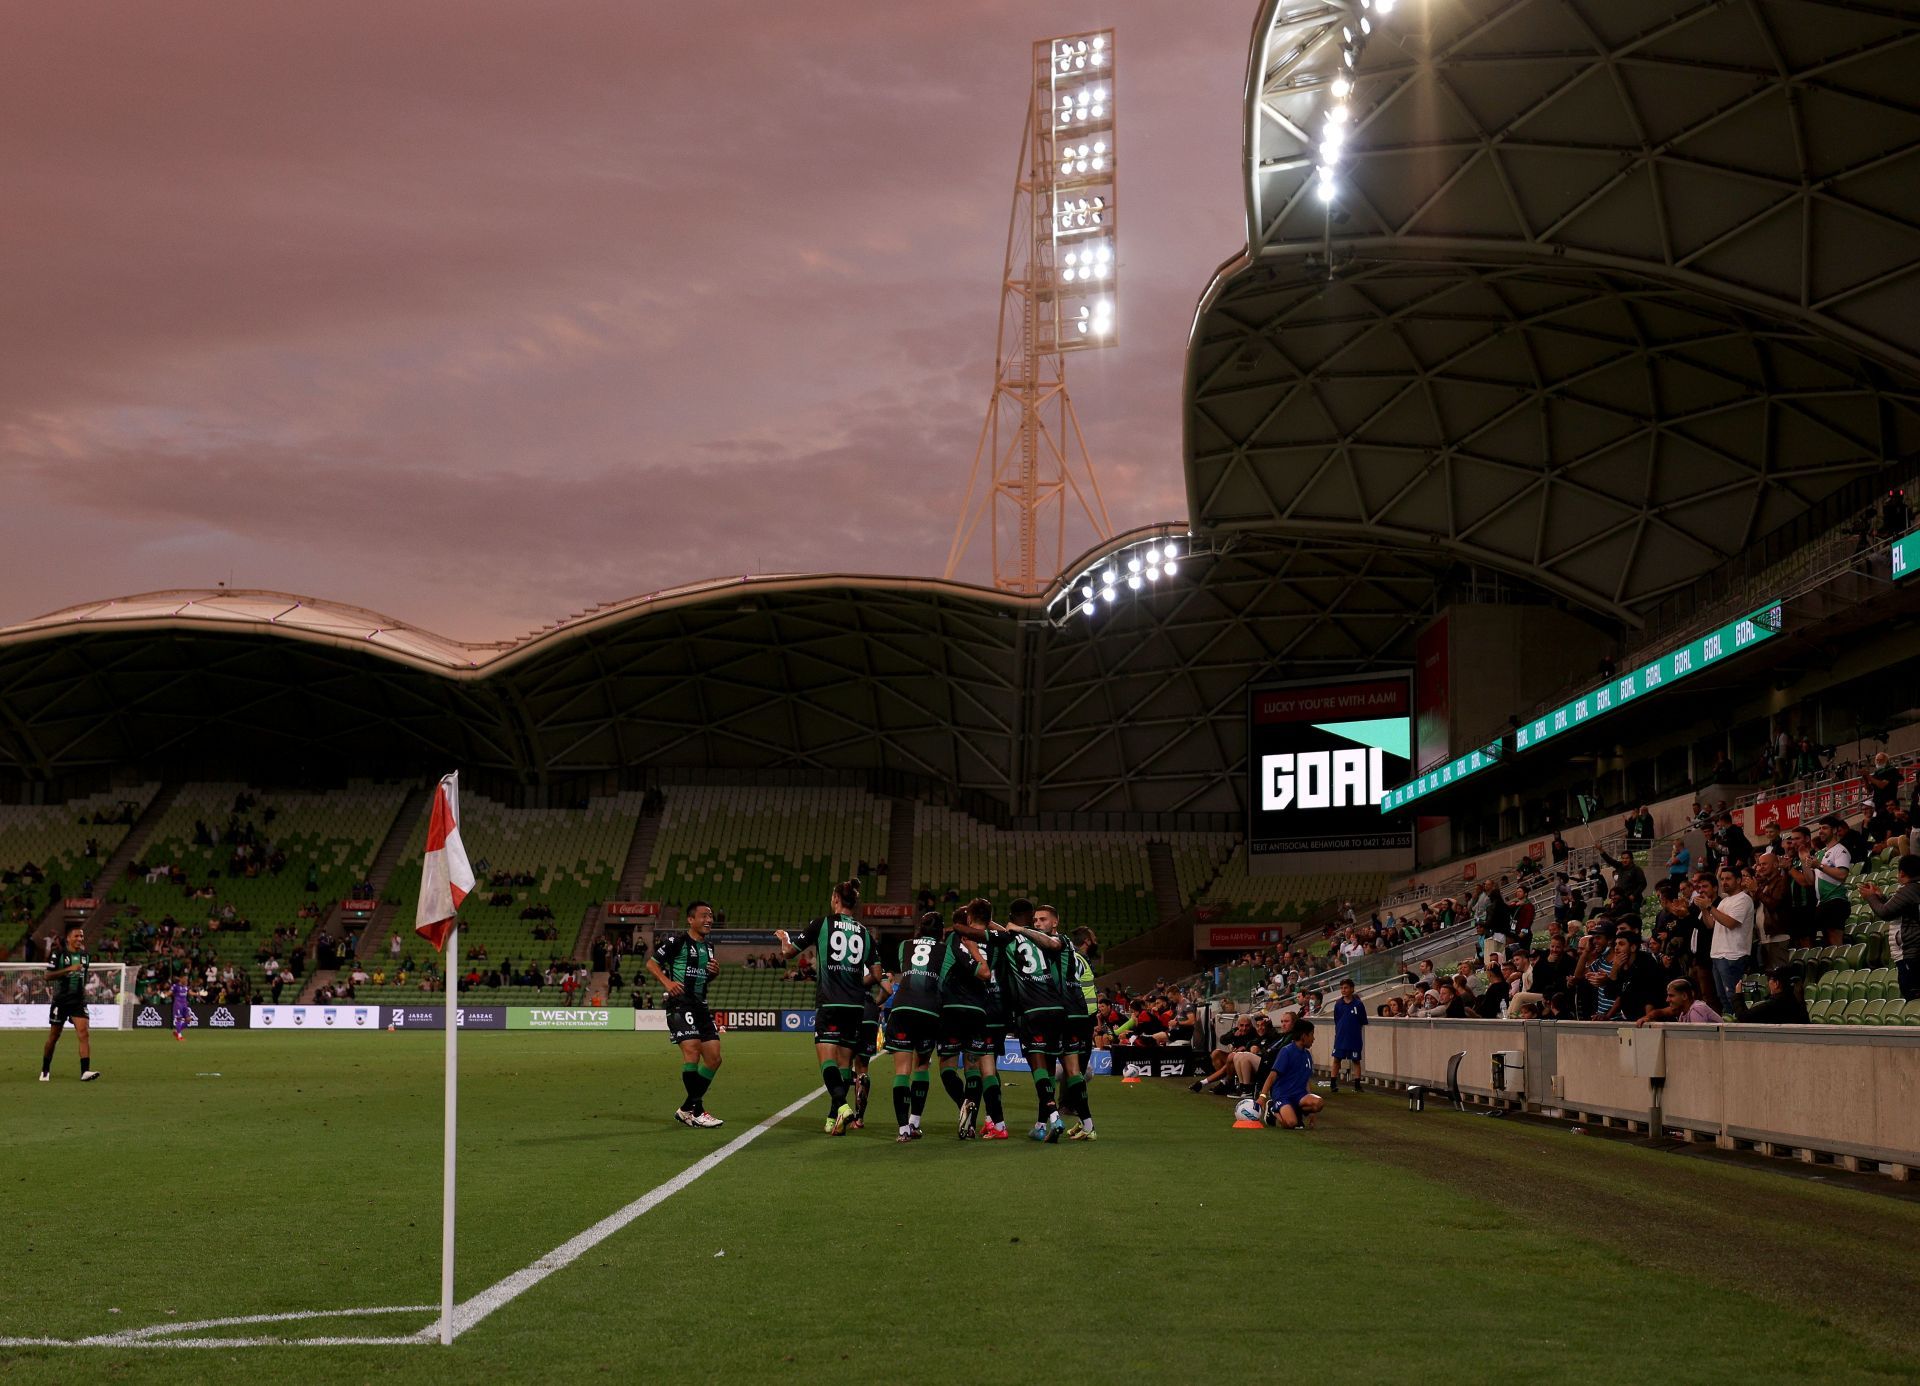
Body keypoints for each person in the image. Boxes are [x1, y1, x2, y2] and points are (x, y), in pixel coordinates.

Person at [776, 880, 880, 1136]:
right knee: (845, 1063)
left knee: (827, 1059)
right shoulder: (865, 932)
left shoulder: (821, 924)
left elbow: (789, 953)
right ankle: (834, 1117)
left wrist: (784, 938)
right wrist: (856, 980)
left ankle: (842, 1107)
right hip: (856, 1005)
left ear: (835, 899)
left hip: (830, 1001)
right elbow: (877, 973)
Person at [648, 901, 725, 1128]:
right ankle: (698, 1110)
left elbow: (702, 977)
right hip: (680, 1004)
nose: (709, 920)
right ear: (691, 920)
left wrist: (714, 974)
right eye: (704, 916)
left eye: (710, 916)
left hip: (701, 1005)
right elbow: (651, 964)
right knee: (691, 1052)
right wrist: (668, 981)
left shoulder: (709, 947)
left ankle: (686, 1109)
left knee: (714, 1058)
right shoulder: (677, 941)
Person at [1003, 899, 1068, 1142]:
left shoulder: (1009, 939)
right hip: (1056, 1008)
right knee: (1050, 1068)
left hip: (1032, 1011)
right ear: (1031, 919)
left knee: (1037, 1066)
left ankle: (1054, 1116)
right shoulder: (1042, 940)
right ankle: (1040, 1125)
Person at [936, 900, 999, 1139]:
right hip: (979, 1011)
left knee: (947, 1068)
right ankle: (970, 1122)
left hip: (953, 1009)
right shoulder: (993, 942)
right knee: (973, 1067)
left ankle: (964, 1103)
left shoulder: (956, 940)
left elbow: (979, 972)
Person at [884, 915, 946, 1142]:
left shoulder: (905, 945)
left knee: (902, 1070)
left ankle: (902, 1130)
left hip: (903, 1007)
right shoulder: (945, 950)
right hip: (929, 1010)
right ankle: (915, 1123)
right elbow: (942, 979)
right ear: (942, 932)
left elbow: (908, 968)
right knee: (921, 1066)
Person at [41, 923, 99, 1082]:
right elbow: (47, 976)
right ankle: (45, 1069)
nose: (80, 938)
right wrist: (68, 969)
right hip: (61, 1001)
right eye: (76, 936)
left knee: (84, 1033)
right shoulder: (58, 954)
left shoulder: (85, 955)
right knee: (54, 1037)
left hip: (78, 1001)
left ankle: (85, 1071)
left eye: (81, 936)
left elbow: (82, 976)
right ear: (68, 938)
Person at [1859, 853, 1920, 1001]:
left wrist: (1871, 897)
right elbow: (1901, 911)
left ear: (1902, 873)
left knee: (1912, 995)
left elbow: (1885, 913)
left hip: (1911, 953)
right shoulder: (1914, 889)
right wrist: (1880, 897)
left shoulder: (1909, 889)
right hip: (1913, 952)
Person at [1695, 868, 1756, 1013]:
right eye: (1722, 879)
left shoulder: (1743, 899)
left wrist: (1709, 906)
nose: (1724, 882)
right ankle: (1730, 1024)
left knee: (1732, 996)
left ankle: (1739, 1026)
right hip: (1718, 954)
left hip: (1733, 955)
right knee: (1722, 997)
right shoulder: (1724, 901)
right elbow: (1710, 924)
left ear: (1739, 880)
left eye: (1728, 879)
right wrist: (1704, 909)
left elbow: (1731, 923)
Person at [1257, 1019, 1322, 1130]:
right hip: (1283, 1095)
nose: (1313, 1039)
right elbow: (1272, 1075)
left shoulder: (1307, 1055)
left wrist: (1312, 1113)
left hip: (1299, 1096)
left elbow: (1306, 1081)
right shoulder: (1286, 1051)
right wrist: (1262, 1096)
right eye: (1311, 1035)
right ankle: (1273, 1109)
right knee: (1290, 1123)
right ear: (1303, 1036)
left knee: (1318, 1103)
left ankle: (1294, 1111)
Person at [1735, 967, 1810, 1025]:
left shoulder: (1773, 1004)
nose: (1768, 983)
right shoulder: (1797, 1002)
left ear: (1776, 984)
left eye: (1769, 979)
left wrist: (1738, 995)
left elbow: (1743, 1017)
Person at [1329, 977, 1366, 1092]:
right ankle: (1333, 1083)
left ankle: (1357, 1084)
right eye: (1341, 988)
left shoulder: (1358, 1004)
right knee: (1337, 1059)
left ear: (1352, 989)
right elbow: (1337, 1019)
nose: (1343, 990)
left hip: (1354, 1038)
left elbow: (1362, 1020)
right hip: (1340, 1037)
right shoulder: (1338, 1004)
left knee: (1356, 1060)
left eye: (1346, 988)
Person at [1635, 977, 1722, 1026]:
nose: (1667, 1000)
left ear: (1684, 996)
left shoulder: (1696, 1009)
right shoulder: (1682, 1010)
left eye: (1671, 996)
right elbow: (1661, 1012)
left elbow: (1699, 1041)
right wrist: (1647, 1017)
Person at [171, 972, 191, 1041]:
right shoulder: (175, 986)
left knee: (188, 1020)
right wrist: (164, 995)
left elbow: (190, 992)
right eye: (185, 979)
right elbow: (170, 992)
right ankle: (179, 1036)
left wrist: (198, 993)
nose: (186, 981)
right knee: (179, 1019)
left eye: (187, 979)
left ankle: (177, 1032)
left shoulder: (185, 987)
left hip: (185, 1005)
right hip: (178, 1004)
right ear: (181, 979)